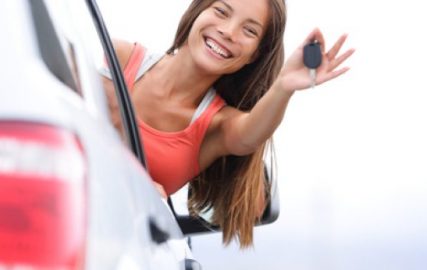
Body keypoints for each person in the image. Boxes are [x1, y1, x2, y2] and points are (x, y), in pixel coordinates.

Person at [101, 0, 354, 248]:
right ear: (198, 11)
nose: (229, 32)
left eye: (249, 30)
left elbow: (249, 134)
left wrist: (284, 86)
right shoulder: (119, 58)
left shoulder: (216, 125)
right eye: (221, 11)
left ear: (254, 55)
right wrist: (131, 176)